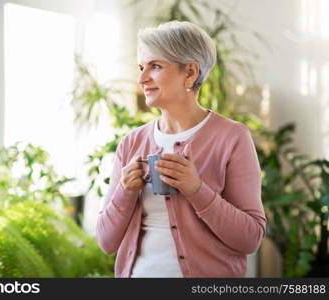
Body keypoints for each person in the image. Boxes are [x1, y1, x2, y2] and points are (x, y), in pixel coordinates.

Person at [96, 21, 266, 278]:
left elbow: (250, 239)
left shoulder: (232, 138)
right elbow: (106, 242)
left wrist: (197, 190)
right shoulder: (131, 143)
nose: (142, 78)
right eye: (142, 67)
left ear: (190, 73)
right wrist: (125, 192)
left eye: (155, 66)